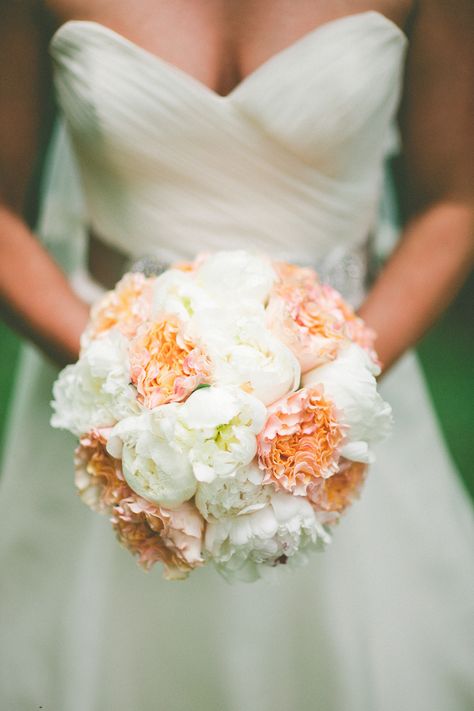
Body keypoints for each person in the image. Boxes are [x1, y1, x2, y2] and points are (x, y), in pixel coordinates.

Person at [1, 1, 473, 709]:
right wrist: (129, 391)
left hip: (341, 418)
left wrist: (330, 395)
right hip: (113, 424)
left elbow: (455, 201)